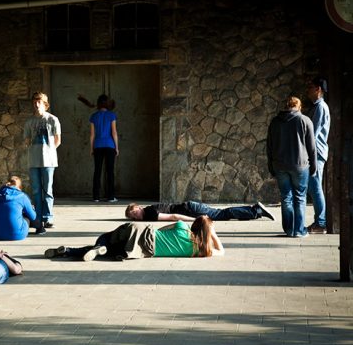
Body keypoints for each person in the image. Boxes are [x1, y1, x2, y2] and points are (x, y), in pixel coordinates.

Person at [44, 215, 224, 261]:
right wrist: (213, 233)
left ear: (194, 224)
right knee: (109, 252)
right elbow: (221, 251)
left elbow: (161, 229)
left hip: (142, 231)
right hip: (143, 250)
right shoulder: (200, 250)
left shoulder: (181, 226)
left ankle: (68, 251)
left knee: (105, 238)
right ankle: (71, 251)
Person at [267, 96, 317, 238]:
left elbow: (269, 146)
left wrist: (271, 166)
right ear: (299, 107)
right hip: (300, 165)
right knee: (300, 197)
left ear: (286, 106)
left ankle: (289, 230)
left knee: (286, 197)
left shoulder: (275, 122)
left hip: (280, 165)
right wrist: (314, 167)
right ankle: (299, 230)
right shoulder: (305, 121)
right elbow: (312, 148)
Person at [23, 91, 61, 229]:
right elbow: (26, 140)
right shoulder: (29, 122)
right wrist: (32, 146)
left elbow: (58, 140)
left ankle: (48, 217)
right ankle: (38, 217)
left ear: (45, 104)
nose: (36, 104)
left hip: (49, 161)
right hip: (34, 159)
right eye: (34, 102)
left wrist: (49, 150)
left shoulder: (52, 119)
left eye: (39, 102)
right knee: (36, 190)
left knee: (47, 190)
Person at [305, 77, 330, 234]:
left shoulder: (320, 107)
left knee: (315, 188)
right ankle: (319, 221)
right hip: (315, 152)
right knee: (313, 187)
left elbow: (312, 133)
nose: (308, 90)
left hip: (317, 153)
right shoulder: (317, 107)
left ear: (318, 89)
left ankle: (321, 223)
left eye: (310, 87)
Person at [87, 94, 119, 203]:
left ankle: (96, 197)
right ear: (108, 103)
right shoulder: (112, 115)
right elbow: (114, 132)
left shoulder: (94, 116)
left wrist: (91, 148)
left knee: (97, 171)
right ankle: (111, 197)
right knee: (110, 171)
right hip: (110, 145)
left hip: (97, 145)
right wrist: (117, 147)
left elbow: (92, 135)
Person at [125, 200, 274, 222]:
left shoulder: (150, 213)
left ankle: (256, 210)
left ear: (139, 207)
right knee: (222, 214)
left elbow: (174, 216)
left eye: (135, 212)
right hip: (191, 207)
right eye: (133, 217)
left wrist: (195, 220)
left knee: (222, 214)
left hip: (192, 211)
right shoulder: (149, 210)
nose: (136, 216)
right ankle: (255, 211)